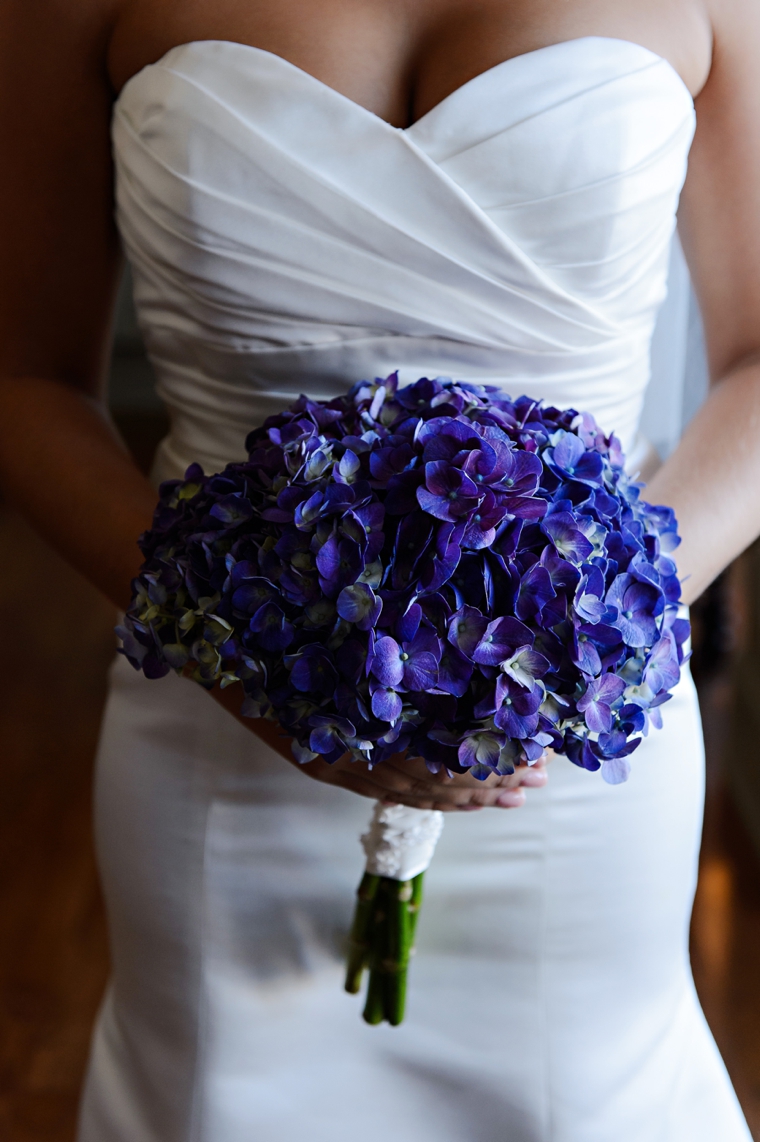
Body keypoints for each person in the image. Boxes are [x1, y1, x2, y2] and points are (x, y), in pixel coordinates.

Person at [1, 0, 758, 1138]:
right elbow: (26, 379)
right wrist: (237, 651)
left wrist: (583, 634)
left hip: (571, 765)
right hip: (219, 723)